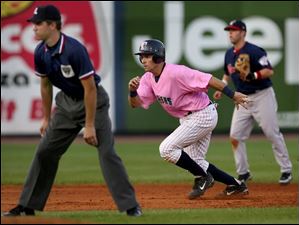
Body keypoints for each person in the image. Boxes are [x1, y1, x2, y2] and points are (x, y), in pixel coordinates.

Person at [3, 5, 142, 217]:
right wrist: (46, 118)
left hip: (93, 102)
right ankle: (27, 206)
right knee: (44, 151)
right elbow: (46, 85)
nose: (34, 28)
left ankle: (131, 206)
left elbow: (90, 88)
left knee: (107, 153)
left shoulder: (73, 49)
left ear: (52, 25)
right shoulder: (41, 51)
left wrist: (89, 125)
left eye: (38, 23)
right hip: (66, 104)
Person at [128, 39, 250, 200]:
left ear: (158, 57)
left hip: (202, 114)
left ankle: (204, 177)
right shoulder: (148, 78)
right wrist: (132, 92)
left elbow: (209, 79)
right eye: (141, 56)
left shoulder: (177, 72)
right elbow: (136, 104)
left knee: (166, 149)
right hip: (188, 118)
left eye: (147, 56)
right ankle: (236, 185)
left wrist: (233, 95)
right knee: (195, 161)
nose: (143, 59)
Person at [213, 20, 293, 184]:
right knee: (235, 136)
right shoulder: (229, 53)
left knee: (271, 133)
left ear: (243, 32)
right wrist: (222, 87)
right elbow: (227, 74)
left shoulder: (254, 51)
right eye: (229, 30)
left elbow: (269, 70)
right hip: (242, 98)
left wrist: (253, 75)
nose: (230, 33)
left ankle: (286, 170)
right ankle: (243, 173)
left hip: (262, 95)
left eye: (234, 30)